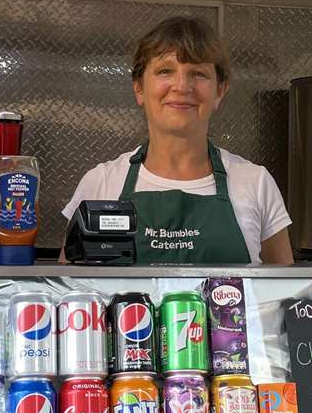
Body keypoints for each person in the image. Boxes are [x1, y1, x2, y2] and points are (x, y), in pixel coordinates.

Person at [61, 17, 293, 265]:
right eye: (165, 71)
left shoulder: (255, 183)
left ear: (220, 91)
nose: (182, 86)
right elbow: (71, 294)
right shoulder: (101, 183)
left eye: (198, 73)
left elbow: (285, 295)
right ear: (139, 87)